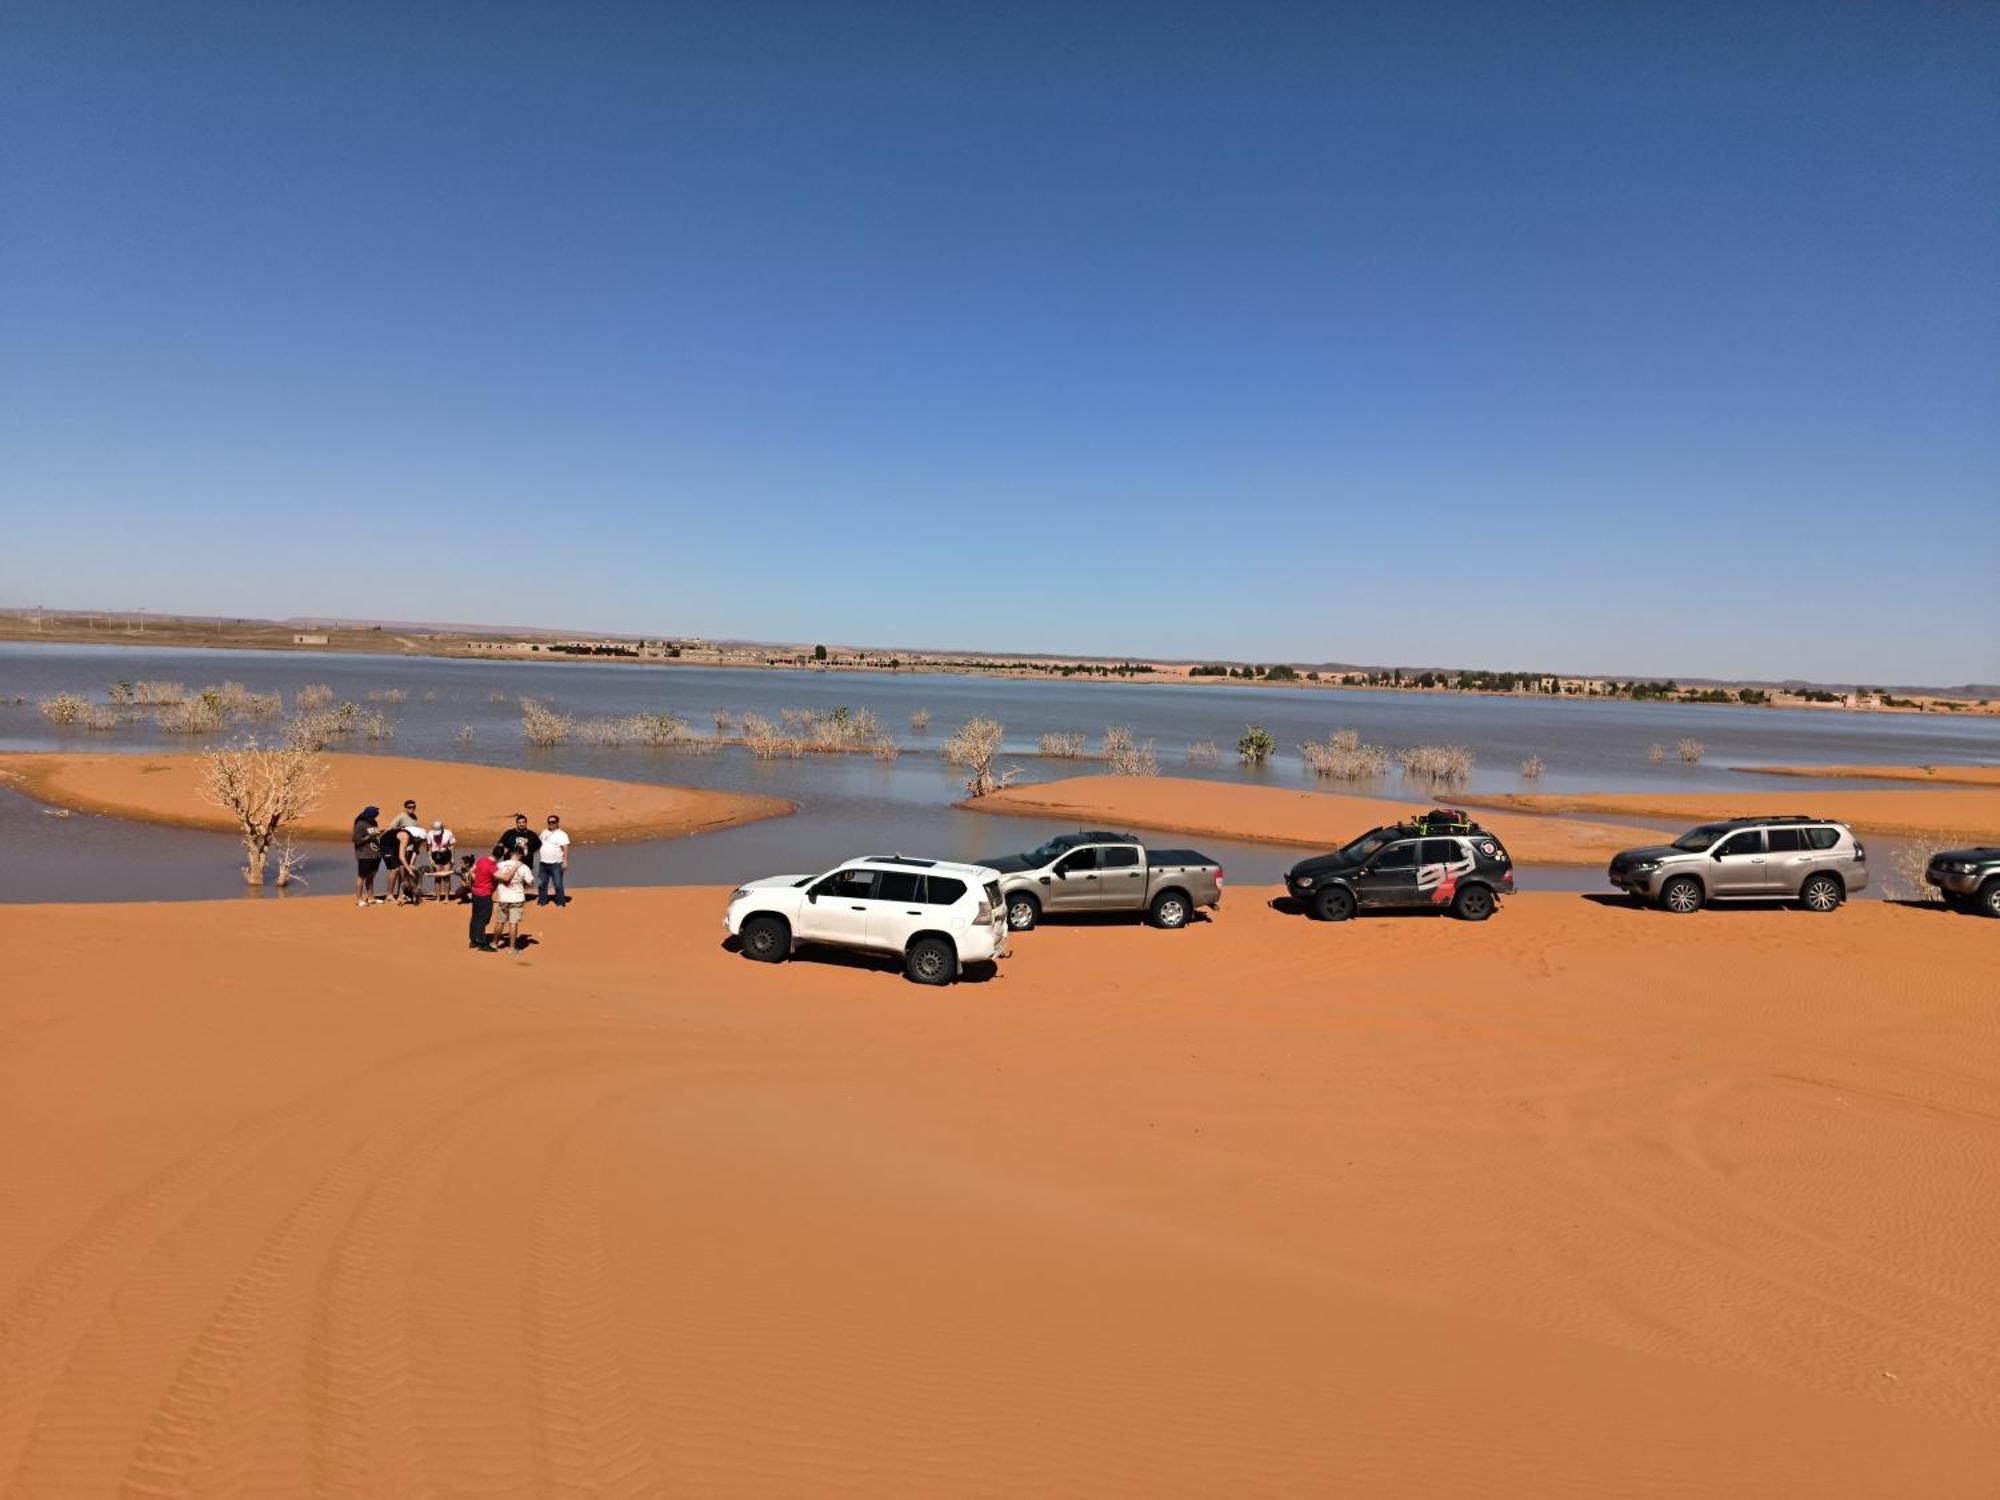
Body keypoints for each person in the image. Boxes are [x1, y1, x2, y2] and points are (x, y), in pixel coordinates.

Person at [493, 845, 532, 951]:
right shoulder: (524, 867)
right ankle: (512, 948)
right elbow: (530, 882)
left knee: (500, 921)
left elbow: (494, 877)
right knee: (513, 922)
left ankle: (494, 943)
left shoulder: (500, 864)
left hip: (503, 897)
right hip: (517, 898)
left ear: (511, 853)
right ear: (520, 855)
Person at [467, 845, 500, 950]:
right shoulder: (493, 867)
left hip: (476, 893)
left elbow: (471, 871)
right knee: (483, 918)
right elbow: (503, 877)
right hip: (485, 895)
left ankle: (473, 941)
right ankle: (481, 942)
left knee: (475, 917)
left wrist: (477, 880)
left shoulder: (481, 860)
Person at [535, 814, 572, 906]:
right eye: (549, 822)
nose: (551, 824)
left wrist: (565, 861)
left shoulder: (562, 834)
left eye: (553, 822)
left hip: (556, 864)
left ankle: (560, 902)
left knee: (558, 884)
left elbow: (565, 848)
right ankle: (542, 901)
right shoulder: (544, 832)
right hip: (543, 863)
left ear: (557, 823)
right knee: (542, 883)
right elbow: (539, 844)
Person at [352, 805, 383, 906]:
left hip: (375, 854)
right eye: (374, 815)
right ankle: (358, 899)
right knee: (362, 877)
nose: (375, 817)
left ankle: (371, 897)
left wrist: (380, 833)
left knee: (371, 876)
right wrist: (369, 837)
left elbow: (375, 835)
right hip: (364, 854)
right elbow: (356, 840)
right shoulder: (360, 824)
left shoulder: (373, 822)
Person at [426, 820, 456, 899]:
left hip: (446, 854)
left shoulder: (448, 833)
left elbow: (452, 846)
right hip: (435, 855)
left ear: (442, 828)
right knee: (437, 876)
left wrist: (452, 857)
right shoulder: (429, 834)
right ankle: (438, 897)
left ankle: (446, 897)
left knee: (446, 876)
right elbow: (428, 848)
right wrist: (430, 859)